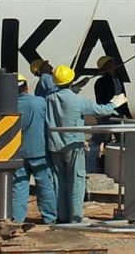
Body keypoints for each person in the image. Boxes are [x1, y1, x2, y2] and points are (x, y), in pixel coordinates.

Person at [43, 65, 121, 224]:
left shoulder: (49, 99)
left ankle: (63, 216)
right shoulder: (77, 100)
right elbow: (99, 110)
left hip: (55, 146)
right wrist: (114, 104)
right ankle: (76, 217)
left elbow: (63, 97)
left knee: (60, 181)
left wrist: (77, 87)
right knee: (77, 181)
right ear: (71, 81)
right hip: (73, 145)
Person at [13, 74, 54, 222]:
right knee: (45, 186)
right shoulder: (40, 102)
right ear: (26, 87)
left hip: (17, 152)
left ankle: (17, 218)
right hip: (39, 151)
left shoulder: (9, 106)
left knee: (19, 185)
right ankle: (49, 217)